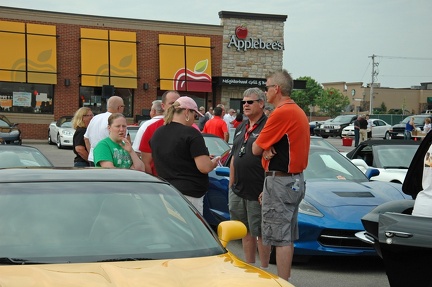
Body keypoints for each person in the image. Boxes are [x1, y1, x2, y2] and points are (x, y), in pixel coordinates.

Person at [252, 69, 310, 281]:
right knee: (285, 236)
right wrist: (267, 148)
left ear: (276, 89)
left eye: (267, 87)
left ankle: (283, 283)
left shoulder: (282, 112)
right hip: (293, 180)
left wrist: (264, 148)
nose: (265, 92)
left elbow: (255, 149)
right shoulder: (297, 110)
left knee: (281, 238)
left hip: (281, 181)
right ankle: (283, 281)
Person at [150, 96, 220, 214]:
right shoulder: (191, 133)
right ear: (187, 112)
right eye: (195, 115)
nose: (195, 119)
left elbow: (173, 156)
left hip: (166, 190)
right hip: (190, 194)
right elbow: (204, 167)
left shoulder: (158, 132)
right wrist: (214, 162)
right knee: (191, 230)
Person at [229, 87, 271, 270]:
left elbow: (274, 160)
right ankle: (250, 268)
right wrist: (231, 184)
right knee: (245, 231)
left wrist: (268, 188)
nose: (245, 105)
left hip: (258, 190)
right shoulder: (241, 127)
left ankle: (264, 272)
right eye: (243, 102)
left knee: (261, 232)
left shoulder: (268, 126)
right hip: (238, 189)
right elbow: (234, 156)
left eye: (250, 102)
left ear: (261, 104)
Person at [138, 90, 180, 175]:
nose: (176, 107)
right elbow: (146, 162)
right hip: (160, 180)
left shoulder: (191, 127)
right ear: (163, 106)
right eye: (172, 103)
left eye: (178, 104)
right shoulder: (151, 128)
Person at [84, 96, 125, 166]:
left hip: (93, 158)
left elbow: (86, 138)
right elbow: (123, 140)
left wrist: (92, 152)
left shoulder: (95, 118)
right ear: (119, 107)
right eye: (123, 106)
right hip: (111, 159)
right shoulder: (118, 120)